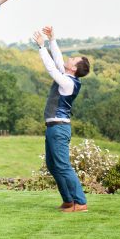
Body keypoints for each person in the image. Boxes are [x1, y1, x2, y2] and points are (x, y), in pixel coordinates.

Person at [32, 25, 91, 213]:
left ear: (74, 68)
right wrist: (52, 40)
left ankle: (80, 202)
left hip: (59, 128)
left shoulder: (67, 82)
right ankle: (68, 200)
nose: (69, 58)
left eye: (73, 59)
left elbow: (51, 68)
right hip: (54, 128)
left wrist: (42, 47)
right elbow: (57, 60)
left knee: (63, 166)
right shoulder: (68, 77)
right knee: (52, 165)